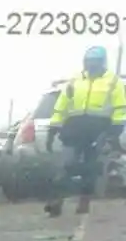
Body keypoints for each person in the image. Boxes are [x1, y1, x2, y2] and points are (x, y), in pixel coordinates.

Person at [44, 45, 126, 215]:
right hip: (74, 127)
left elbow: (120, 108)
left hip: (98, 129)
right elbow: (61, 106)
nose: (91, 65)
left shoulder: (113, 82)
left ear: (102, 63)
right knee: (67, 164)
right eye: (88, 61)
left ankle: (84, 202)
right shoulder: (75, 80)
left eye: (95, 62)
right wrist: (53, 129)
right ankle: (56, 201)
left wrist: (114, 131)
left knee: (91, 167)